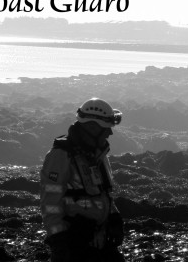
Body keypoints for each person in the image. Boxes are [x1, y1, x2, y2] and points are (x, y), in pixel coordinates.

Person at [40, 98, 125, 262]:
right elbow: (50, 202)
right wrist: (58, 240)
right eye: (106, 128)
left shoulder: (97, 155)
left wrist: (114, 218)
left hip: (100, 241)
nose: (110, 133)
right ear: (92, 127)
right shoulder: (61, 155)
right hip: (74, 243)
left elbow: (104, 193)